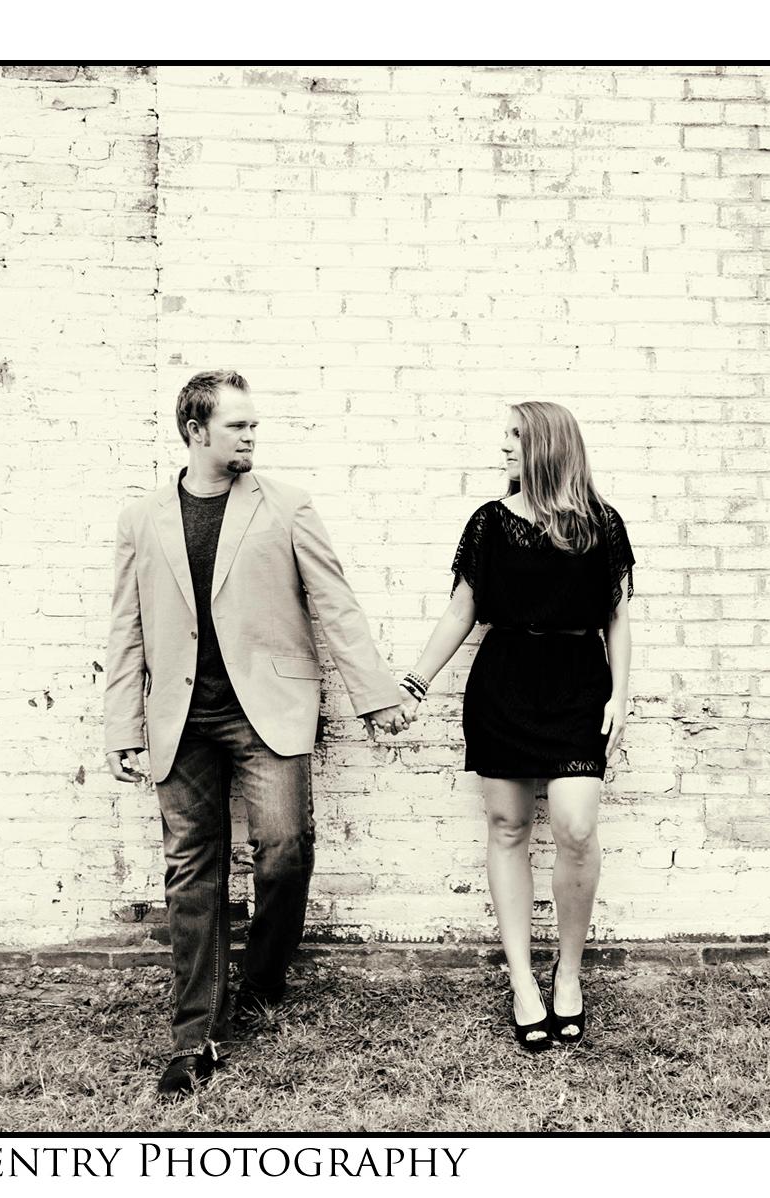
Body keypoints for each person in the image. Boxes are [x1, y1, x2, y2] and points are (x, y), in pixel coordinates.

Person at [102, 369, 408, 1096]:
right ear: (196, 429)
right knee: (191, 873)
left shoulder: (287, 505)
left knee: (284, 849)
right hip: (179, 717)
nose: (251, 436)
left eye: (253, 425)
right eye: (238, 425)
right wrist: (122, 725)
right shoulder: (142, 518)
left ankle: (264, 978)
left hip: (267, 709)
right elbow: (126, 628)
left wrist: (375, 695)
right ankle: (197, 1035)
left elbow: (336, 604)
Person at [395, 401, 633, 1051]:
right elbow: (461, 611)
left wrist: (620, 693)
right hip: (503, 682)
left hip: (578, 683)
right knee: (507, 828)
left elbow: (616, 617)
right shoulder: (490, 524)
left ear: (547, 447)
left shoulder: (601, 524)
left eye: (515, 436)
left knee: (576, 828)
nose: (503, 446)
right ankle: (524, 982)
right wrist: (415, 682)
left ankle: (570, 975)